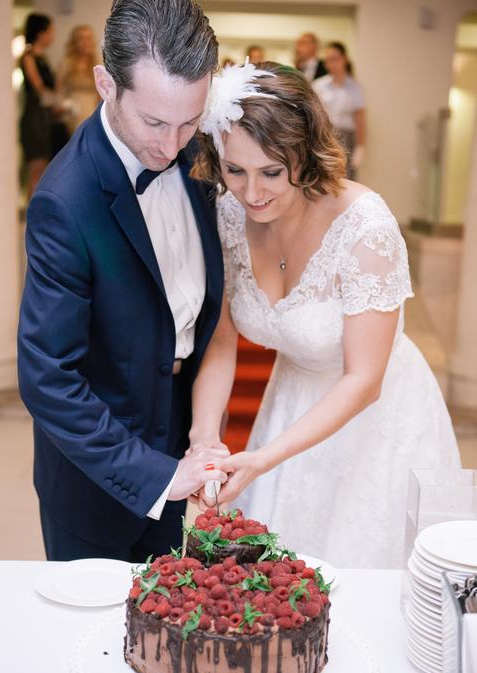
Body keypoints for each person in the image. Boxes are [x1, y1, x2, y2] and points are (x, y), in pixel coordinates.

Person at [188, 61, 461, 569]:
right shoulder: (229, 211)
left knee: (362, 572)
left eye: (272, 172)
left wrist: (264, 459)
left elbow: (363, 380)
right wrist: (204, 438)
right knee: (281, 577)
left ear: (307, 153)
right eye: (235, 170)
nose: (252, 193)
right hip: (289, 404)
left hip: (375, 419)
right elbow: (222, 340)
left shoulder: (364, 226)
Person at [18, 0, 227, 562]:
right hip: (95, 486)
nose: (172, 145)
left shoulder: (198, 151)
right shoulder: (66, 200)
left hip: (179, 446)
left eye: (189, 121)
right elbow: (48, 377)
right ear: (105, 84)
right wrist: (156, 476)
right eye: (154, 122)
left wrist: (198, 435)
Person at [313, 42, 365, 180]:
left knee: (346, 179)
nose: (331, 64)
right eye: (328, 60)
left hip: (347, 139)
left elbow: (360, 119)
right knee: (325, 179)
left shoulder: (354, 87)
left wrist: (360, 147)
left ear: (344, 59)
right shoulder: (319, 85)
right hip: (325, 137)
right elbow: (315, 115)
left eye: (334, 59)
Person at [19, 13, 56, 198]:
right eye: (50, 31)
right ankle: (30, 212)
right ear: (41, 33)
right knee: (36, 167)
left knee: (44, 169)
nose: (53, 35)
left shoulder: (44, 58)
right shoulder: (28, 57)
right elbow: (39, 88)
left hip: (44, 116)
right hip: (34, 117)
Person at [56, 24, 100, 134]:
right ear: (75, 42)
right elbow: (59, 90)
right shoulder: (66, 63)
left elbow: (100, 94)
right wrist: (63, 105)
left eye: (89, 38)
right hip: (72, 114)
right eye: (82, 38)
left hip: (91, 112)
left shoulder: (97, 64)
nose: (86, 42)